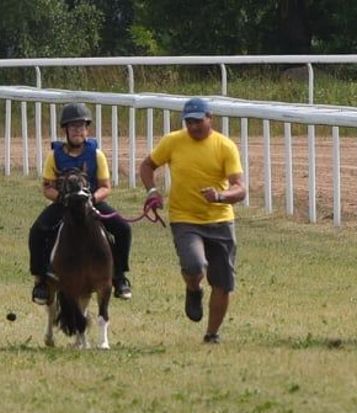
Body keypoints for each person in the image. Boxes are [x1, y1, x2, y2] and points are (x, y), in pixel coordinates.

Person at [137, 96, 246, 344]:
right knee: (195, 265)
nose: (194, 126)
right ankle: (193, 288)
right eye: (189, 122)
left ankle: (212, 334)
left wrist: (220, 196)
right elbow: (147, 166)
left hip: (220, 220)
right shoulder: (173, 141)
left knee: (223, 283)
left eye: (198, 121)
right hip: (184, 218)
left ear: (210, 119)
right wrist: (152, 192)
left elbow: (240, 188)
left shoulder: (225, 146)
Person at [30, 103, 134, 306]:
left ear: (87, 130)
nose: (78, 131)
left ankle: (119, 277)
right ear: (65, 130)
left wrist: (92, 199)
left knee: (123, 228)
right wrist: (62, 198)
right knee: (37, 231)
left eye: (82, 127)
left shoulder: (97, 155)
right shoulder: (54, 156)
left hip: (90, 203)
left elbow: (106, 186)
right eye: (73, 127)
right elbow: (47, 187)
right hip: (65, 203)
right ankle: (41, 280)